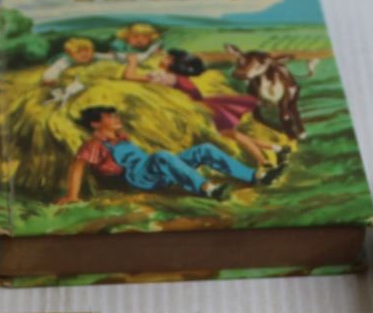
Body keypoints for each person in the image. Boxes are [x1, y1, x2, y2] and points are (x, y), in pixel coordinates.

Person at [56, 105, 280, 204]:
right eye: (110, 116)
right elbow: (77, 166)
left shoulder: (121, 137)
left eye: (115, 115)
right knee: (162, 156)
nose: (116, 119)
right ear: (95, 124)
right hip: (138, 178)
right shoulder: (94, 144)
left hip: (154, 169)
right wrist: (72, 195)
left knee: (205, 149)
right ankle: (207, 189)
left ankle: (254, 176)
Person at [123, 49, 286, 169]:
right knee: (232, 135)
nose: (163, 58)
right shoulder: (174, 76)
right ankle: (276, 149)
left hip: (204, 111)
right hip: (206, 107)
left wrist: (132, 61)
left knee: (234, 135)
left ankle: (264, 162)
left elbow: (129, 77)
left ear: (173, 63)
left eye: (167, 58)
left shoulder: (164, 77)